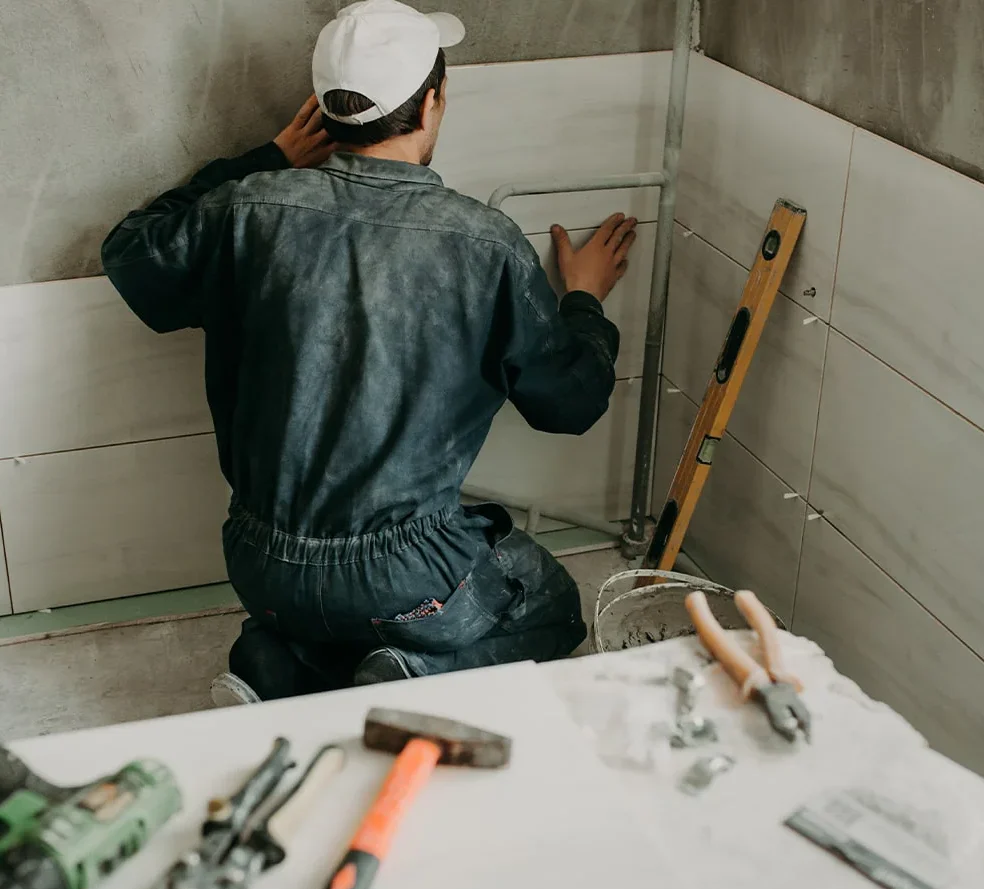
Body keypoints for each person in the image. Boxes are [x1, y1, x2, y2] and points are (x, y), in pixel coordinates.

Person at [101, 0, 637, 702]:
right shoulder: (480, 242)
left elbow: (132, 255)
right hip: (406, 579)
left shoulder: (248, 209)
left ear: (325, 109)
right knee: (548, 604)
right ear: (434, 102)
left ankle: (275, 662)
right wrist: (583, 301)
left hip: (260, 563)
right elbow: (570, 403)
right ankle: (415, 672)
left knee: (336, 607)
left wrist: (266, 159)